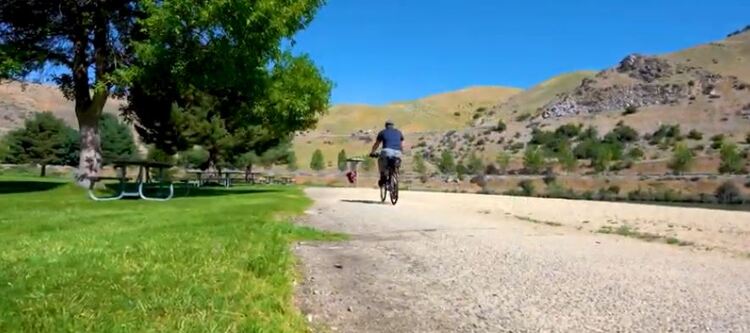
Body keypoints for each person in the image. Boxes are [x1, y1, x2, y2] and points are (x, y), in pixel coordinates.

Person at [370, 119, 404, 186]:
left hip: (387, 151)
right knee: (396, 162)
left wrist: (372, 152)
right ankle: (396, 172)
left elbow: (377, 144)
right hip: (398, 152)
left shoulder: (382, 132)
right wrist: (401, 150)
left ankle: (383, 176)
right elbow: (402, 143)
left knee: (380, 160)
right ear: (393, 126)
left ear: (386, 126)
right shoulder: (399, 132)